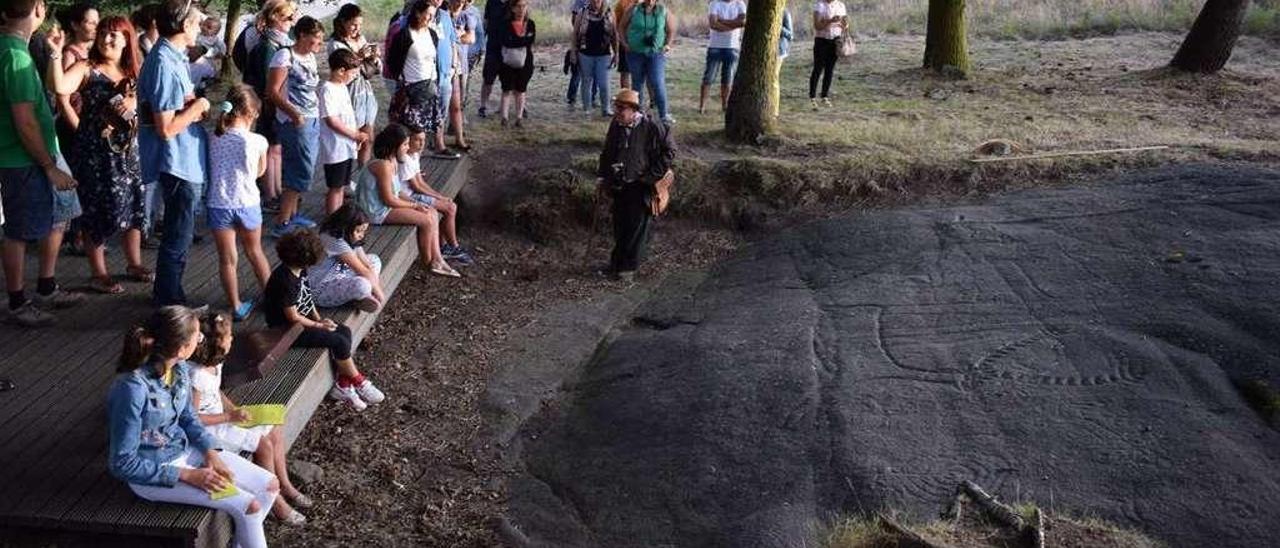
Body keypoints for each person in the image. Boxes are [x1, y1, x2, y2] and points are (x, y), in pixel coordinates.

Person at [108, 305, 279, 548]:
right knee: (249, 505)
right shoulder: (132, 389)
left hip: (188, 452)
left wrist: (211, 452)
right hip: (154, 471)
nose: (200, 340)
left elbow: (189, 419)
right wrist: (188, 475)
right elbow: (122, 463)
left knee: (270, 486)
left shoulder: (179, 370)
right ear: (181, 348)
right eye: (197, 336)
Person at [44, 16, 153, 295]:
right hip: (95, 153)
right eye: (104, 33)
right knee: (96, 209)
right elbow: (60, 88)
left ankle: (134, 262)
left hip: (128, 152)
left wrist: (133, 105)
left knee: (134, 206)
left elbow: (145, 111)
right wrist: (56, 53)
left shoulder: (133, 71)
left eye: (116, 34)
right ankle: (99, 272)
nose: (108, 38)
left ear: (128, 39)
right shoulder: (86, 67)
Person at [2, 0, 85, 328]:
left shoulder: (13, 49)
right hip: (22, 159)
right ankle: (18, 301)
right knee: (19, 232)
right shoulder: (15, 56)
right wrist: (49, 165)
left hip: (26, 156)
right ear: (38, 8)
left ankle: (42, 289)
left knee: (52, 218)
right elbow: (25, 121)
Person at [190, 311, 309, 525]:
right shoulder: (195, 376)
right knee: (263, 444)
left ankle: (285, 485)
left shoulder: (216, 362)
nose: (232, 339)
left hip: (225, 417)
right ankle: (277, 503)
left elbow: (217, 393)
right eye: (228, 337)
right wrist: (228, 416)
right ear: (217, 343)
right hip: (210, 430)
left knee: (273, 426)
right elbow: (192, 418)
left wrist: (236, 411)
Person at [138, 0, 212, 307]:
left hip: (184, 158)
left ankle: (168, 294)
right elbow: (165, 127)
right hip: (176, 161)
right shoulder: (164, 63)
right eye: (196, 24)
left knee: (178, 232)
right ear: (183, 26)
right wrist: (199, 106)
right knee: (177, 235)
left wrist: (194, 107)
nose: (199, 29)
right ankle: (170, 301)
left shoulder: (171, 58)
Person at [262, 230, 386, 411]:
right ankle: (359, 380)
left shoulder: (299, 270)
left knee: (343, 331)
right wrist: (318, 326)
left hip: (304, 322)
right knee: (337, 341)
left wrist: (320, 319)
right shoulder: (284, 280)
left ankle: (343, 385)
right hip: (287, 331)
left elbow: (307, 297)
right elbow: (292, 316)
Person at [354, 123, 460, 277]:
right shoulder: (383, 165)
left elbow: (397, 192)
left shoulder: (393, 161)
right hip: (375, 211)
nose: (407, 147)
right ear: (393, 146)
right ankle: (427, 263)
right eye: (404, 144)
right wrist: (415, 205)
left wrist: (418, 205)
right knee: (426, 220)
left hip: (385, 206)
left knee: (432, 212)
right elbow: (389, 199)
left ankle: (437, 259)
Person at [207, 84, 272, 321]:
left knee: (227, 259)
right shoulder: (258, 141)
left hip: (219, 203)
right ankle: (272, 297)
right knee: (255, 252)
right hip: (247, 202)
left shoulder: (214, 136)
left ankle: (235, 305)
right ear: (251, 113)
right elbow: (259, 172)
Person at [595, 89, 675, 282]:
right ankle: (616, 264)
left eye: (621, 108)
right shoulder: (616, 125)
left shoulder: (652, 126)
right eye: (616, 107)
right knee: (620, 225)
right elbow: (608, 152)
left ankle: (628, 269)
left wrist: (650, 176)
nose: (617, 112)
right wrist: (602, 177)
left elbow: (669, 151)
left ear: (633, 110)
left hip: (642, 186)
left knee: (636, 228)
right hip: (620, 184)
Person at [266, 15, 324, 239]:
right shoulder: (284, 56)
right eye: (315, 39)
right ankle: (282, 222)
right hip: (294, 121)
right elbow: (272, 91)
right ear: (301, 35)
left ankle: (292, 214)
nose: (318, 45)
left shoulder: (310, 57)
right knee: (298, 170)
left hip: (312, 117)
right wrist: (294, 114)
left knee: (306, 170)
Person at [245, 0, 299, 214]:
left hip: (274, 104)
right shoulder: (267, 45)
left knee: (276, 148)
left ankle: (277, 192)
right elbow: (266, 81)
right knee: (269, 148)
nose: (292, 22)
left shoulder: (278, 42)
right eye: (288, 18)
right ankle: (270, 194)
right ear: (275, 18)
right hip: (269, 105)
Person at [398, 126, 472, 265]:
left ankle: (444, 246)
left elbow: (420, 181)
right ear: (409, 140)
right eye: (417, 140)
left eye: (423, 140)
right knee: (450, 208)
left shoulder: (414, 155)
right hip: (409, 196)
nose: (421, 144)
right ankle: (453, 247)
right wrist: (440, 197)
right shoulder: (406, 159)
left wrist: (438, 197)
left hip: (414, 193)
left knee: (449, 207)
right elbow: (417, 187)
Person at [387, 1, 449, 152]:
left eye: (433, 16)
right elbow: (392, 62)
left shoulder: (432, 34)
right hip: (410, 89)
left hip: (429, 89)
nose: (429, 18)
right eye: (427, 14)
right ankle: (404, 167)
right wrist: (404, 82)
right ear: (417, 13)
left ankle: (415, 167)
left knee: (422, 135)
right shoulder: (404, 35)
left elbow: (433, 60)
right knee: (412, 133)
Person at [327, 3, 380, 166]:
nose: (357, 29)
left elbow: (372, 67)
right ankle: (346, 179)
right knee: (352, 138)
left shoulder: (360, 38)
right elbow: (342, 69)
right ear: (343, 22)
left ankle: (362, 174)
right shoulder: (335, 43)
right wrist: (358, 57)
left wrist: (374, 57)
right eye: (353, 25)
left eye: (360, 25)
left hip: (365, 91)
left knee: (368, 137)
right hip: (350, 92)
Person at [319, 48, 368, 214]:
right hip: (335, 147)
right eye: (353, 74)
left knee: (341, 186)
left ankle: (338, 216)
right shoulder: (327, 89)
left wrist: (355, 138)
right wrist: (355, 134)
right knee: (335, 187)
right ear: (341, 71)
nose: (354, 77)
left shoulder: (342, 87)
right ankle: (332, 219)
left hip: (346, 146)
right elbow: (332, 120)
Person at [310, 205, 384, 311]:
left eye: (363, 231)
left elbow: (366, 264)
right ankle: (362, 296)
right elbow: (363, 270)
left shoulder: (349, 236)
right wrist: (381, 296)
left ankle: (362, 297)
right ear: (345, 227)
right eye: (358, 231)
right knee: (363, 285)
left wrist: (375, 285)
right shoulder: (332, 239)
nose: (361, 235)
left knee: (374, 259)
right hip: (321, 288)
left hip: (339, 275)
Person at [619, 0, 675, 125]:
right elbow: (621, 27)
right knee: (637, 84)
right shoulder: (634, 9)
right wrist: (624, 44)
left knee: (657, 82)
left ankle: (664, 114)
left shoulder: (662, 10)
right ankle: (638, 114)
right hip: (635, 53)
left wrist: (668, 45)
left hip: (656, 53)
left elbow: (671, 30)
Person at [570, 0, 616, 117]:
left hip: (604, 54)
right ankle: (587, 109)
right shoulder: (582, 12)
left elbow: (615, 35)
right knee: (586, 82)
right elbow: (575, 34)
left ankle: (606, 109)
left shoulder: (609, 13)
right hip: (585, 54)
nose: (596, 1)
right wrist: (573, 53)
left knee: (604, 83)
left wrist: (617, 53)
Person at [700, 0, 746, 114]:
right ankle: (702, 106)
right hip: (715, 46)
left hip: (732, 46)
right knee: (708, 78)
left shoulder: (740, 4)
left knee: (728, 79)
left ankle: (725, 105)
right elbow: (713, 24)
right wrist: (733, 25)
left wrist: (722, 21)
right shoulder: (714, 3)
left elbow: (742, 22)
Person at [496, 0, 535, 127]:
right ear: (513, 8)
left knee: (521, 90)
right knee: (506, 89)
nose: (521, 9)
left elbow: (530, 40)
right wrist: (522, 40)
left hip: (526, 62)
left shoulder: (530, 24)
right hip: (507, 62)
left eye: (524, 6)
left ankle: (519, 118)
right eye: (518, 6)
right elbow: (505, 41)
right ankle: (504, 118)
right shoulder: (505, 24)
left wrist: (516, 40)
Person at [447, 0, 476, 150]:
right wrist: (459, 35)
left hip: (459, 64)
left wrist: (455, 37)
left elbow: (471, 38)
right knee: (440, 105)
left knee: (458, 104)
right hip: (443, 65)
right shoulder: (442, 12)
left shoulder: (467, 14)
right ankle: (437, 140)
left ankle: (459, 138)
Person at [810, 0, 847, 109]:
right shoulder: (819, 5)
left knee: (830, 69)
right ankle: (812, 97)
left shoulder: (841, 5)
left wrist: (844, 25)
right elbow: (817, 26)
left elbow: (845, 22)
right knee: (818, 68)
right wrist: (830, 21)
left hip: (835, 40)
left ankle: (824, 96)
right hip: (822, 40)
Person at [476, 0, 506, 118]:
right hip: (493, 46)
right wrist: (481, 44)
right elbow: (485, 23)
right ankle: (483, 106)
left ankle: (504, 107)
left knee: (508, 80)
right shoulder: (492, 2)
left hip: (509, 47)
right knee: (488, 78)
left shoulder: (513, 3)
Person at [612, 0, 636, 91]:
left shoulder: (645, 3)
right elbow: (616, 25)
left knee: (646, 73)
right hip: (625, 42)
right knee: (625, 72)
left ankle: (652, 101)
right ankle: (626, 98)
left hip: (642, 44)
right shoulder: (622, 4)